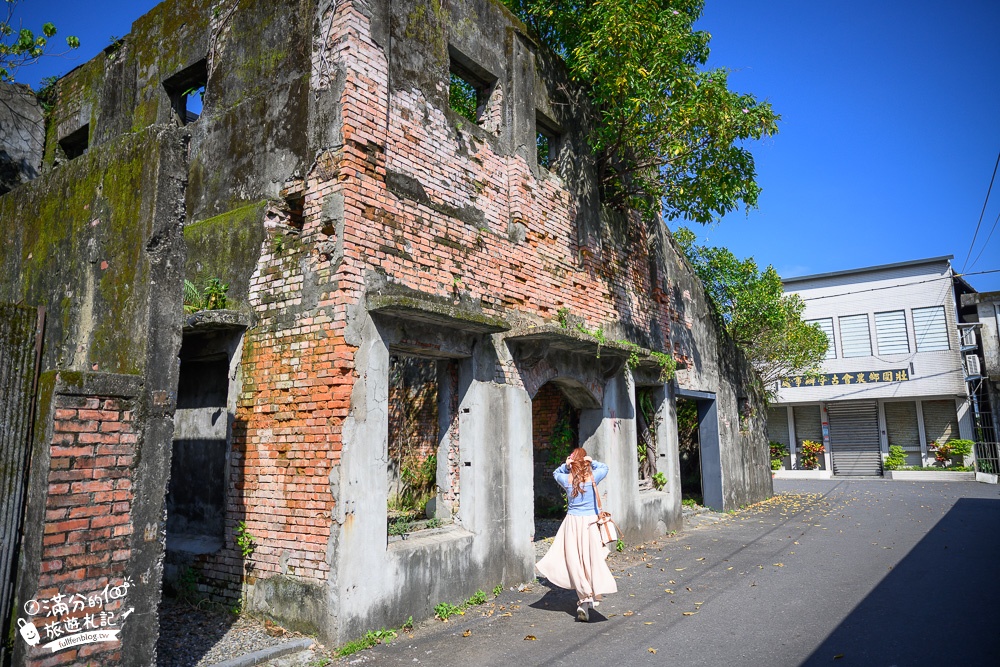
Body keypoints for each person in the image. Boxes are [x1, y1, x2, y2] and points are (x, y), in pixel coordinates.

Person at [535, 447, 617, 621]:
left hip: (572, 523)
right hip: (590, 524)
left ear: (572, 462)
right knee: (591, 560)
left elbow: (556, 473)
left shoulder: (566, 479)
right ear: (585, 462)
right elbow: (605, 468)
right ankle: (590, 596)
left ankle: (584, 599)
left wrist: (566, 466)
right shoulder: (594, 477)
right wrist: (591, 461)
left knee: (575, 562)